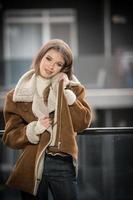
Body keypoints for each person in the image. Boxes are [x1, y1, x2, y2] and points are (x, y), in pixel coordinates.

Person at [2, 39, 92, 200]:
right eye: (48, 59)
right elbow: (10, 137)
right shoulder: (16, 95)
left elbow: (82, 123)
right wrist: (33, 129)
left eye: (58, 64)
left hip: (62, 162)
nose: (51, 66)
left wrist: (67, 96)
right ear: (40, 57)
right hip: (31, 163)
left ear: (64, 68)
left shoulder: (72, 88)